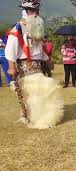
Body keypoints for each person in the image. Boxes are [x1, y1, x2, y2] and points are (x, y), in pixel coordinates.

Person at [5, 0, 63, 129]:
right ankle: (37, 119)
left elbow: (39, 49)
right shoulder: (18, 28)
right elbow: (10, 48)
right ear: (24, 11)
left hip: (37, 68)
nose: (35, 14)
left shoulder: (37, 29)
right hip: (26, 68)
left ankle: (43, 118)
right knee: (36, 95)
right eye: (32, 11)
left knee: (43, 92)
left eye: (37, 11)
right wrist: (11, 66)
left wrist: (48, 60)